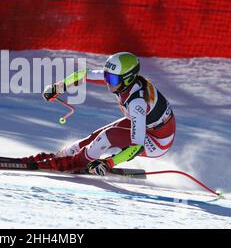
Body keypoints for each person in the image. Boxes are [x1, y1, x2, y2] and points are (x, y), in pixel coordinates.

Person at [31, 52, 176, 176]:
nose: (108, 82)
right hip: (148, 126)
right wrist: (59, 87)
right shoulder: (120, 79)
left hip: (157, 141)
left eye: (112, 79)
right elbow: (84, 74)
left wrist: (108, 163)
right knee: (96, 135)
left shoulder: (136, 103)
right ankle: (63, 155)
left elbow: (136, 147)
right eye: (106, 76)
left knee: (109, 135)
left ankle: (75, 162)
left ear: (128, 79)